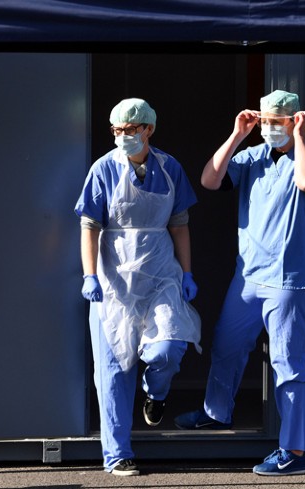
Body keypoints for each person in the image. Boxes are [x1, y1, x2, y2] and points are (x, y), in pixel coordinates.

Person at [174, 90, 305, 476]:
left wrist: (299, 137)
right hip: (250, 276)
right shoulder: (252, 158)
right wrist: (238, 134)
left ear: (294, 120)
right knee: (226, 344)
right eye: (266, 121)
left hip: (290, 281)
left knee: (288, 364)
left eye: (278, 122)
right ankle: (216, 413)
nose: (270, 128)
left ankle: (294, 452)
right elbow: (210, 180)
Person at [75, 98, 201, 477]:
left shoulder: (169, 167)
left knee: (169, 346)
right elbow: (89, 227)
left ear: (148, 129)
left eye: (130, 130)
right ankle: (117, 454)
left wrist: (188, 272)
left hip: (161, 271)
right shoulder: (104, 169)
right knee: (113, 368)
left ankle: (156, 392)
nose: (123, 136)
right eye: (116, 130)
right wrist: (90, 274)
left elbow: (179, 223)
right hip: (114, 276)